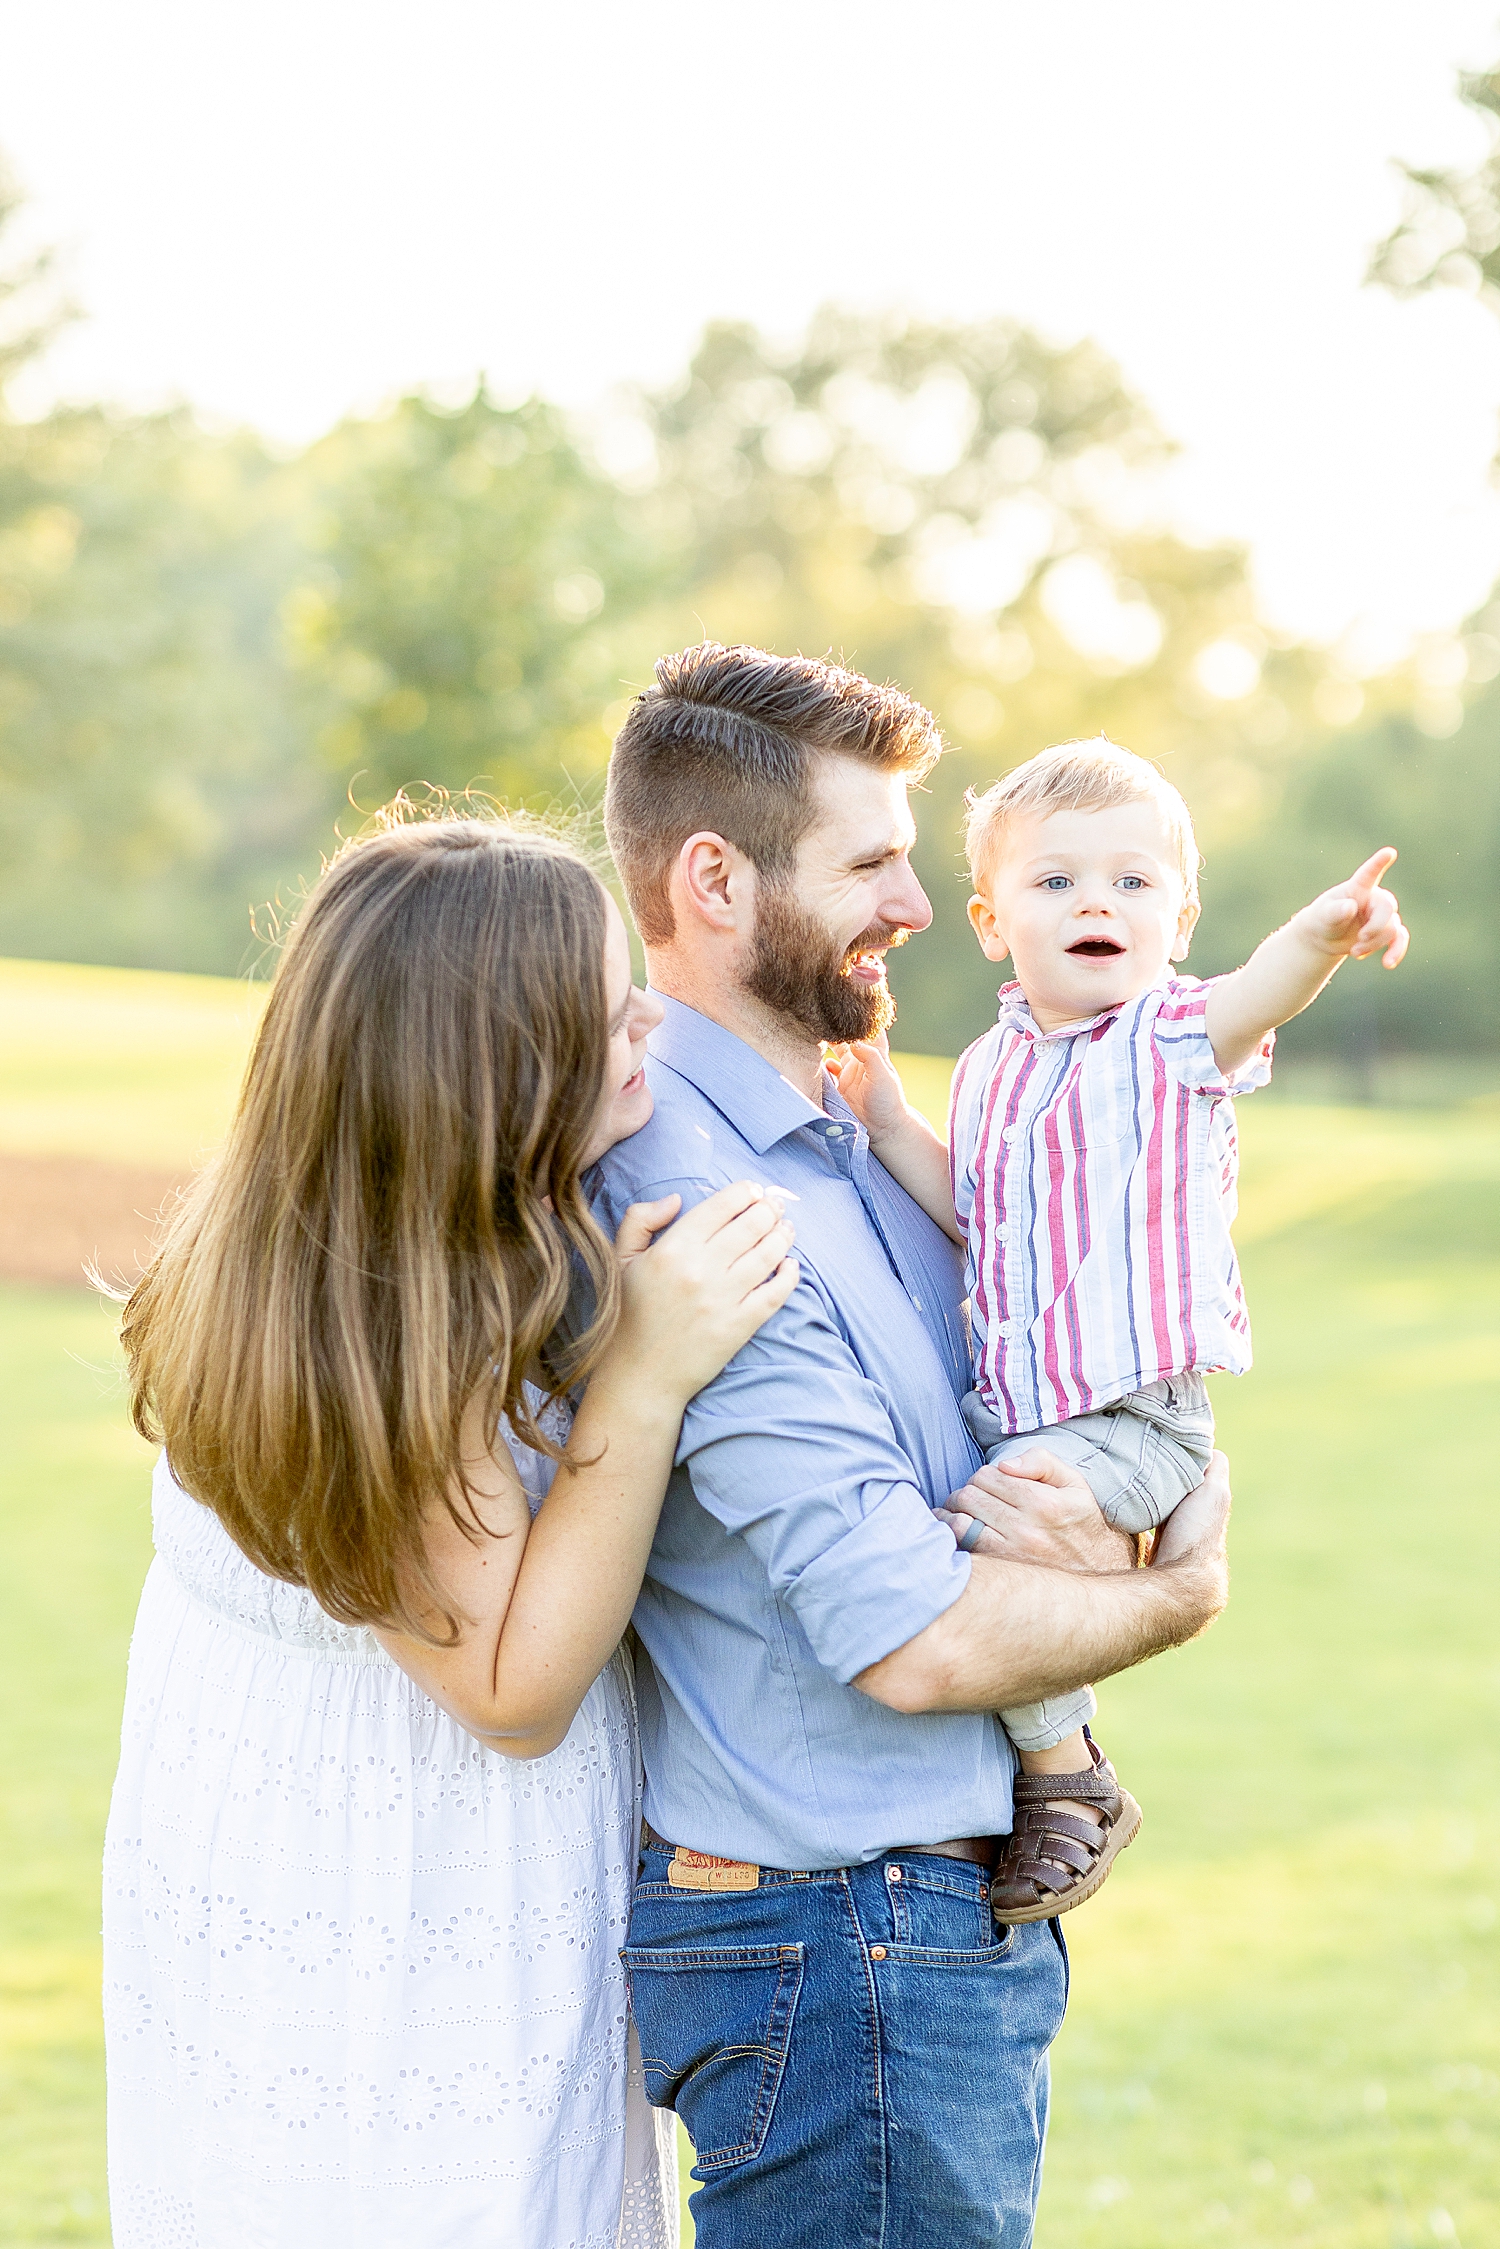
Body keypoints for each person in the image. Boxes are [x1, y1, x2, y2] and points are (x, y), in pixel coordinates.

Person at [589, 644, 1233, 2249]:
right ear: (717, 883)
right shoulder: (698, 1197)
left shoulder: (851, 1145)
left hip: (903, 1939)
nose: (921, 904)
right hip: (837, 1942)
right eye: (872, 858)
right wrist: (1180, 1590)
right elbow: (912, 1634)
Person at [102, 805, 798, 2249]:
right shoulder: (372, 1328)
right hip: (396, 1905)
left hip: (309, 1863)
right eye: (608, 1021)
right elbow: (512, 1689)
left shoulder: (345, 1238)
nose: (647, 1037)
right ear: (492, 1071)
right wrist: (646, 1380)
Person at [833, 738, 1408, 1922]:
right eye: (1056, 882)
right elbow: (976, 1219)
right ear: (993, 923)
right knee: (979, 1516)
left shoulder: (1170, 1039)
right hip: (1023, 1401)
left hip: (1137, 1412)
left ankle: (1066, 1775)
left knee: (991, 1534)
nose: (1098, 900)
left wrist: (1327, 932)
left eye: (1133, 882)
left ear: (1179, 920)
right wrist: (890, 1119)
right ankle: (1053, 1759)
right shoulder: (993, 1065)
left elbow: (1265, 989)